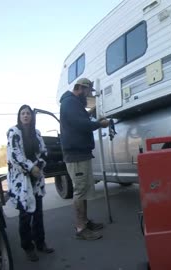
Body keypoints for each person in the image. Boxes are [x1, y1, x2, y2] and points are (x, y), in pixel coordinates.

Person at [60, 78, 109, 240]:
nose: (88, 95)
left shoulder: (74, 104)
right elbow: (80, 124)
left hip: (81, 153)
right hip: (76, 155)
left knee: (84, 190)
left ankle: (85, 221)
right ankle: (80, 228)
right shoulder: (69, 102)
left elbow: (79, 119)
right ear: (81, 88)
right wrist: (99, 124)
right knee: (80, 190)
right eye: (88, 92)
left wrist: (90, 113)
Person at [6, 105, 54, 262]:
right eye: (23, 113)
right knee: (25, 215)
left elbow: (43, 152)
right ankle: (28, 247)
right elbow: (15, 155)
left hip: (36, 178)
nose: (26, 115)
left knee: (38, 213)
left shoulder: (37, 132)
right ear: (19, 116)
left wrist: (39, 166)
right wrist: (31, 167)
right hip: (22, 180)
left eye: (28, 113)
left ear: (32, 116)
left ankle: (40, 242)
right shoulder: (13, 132)